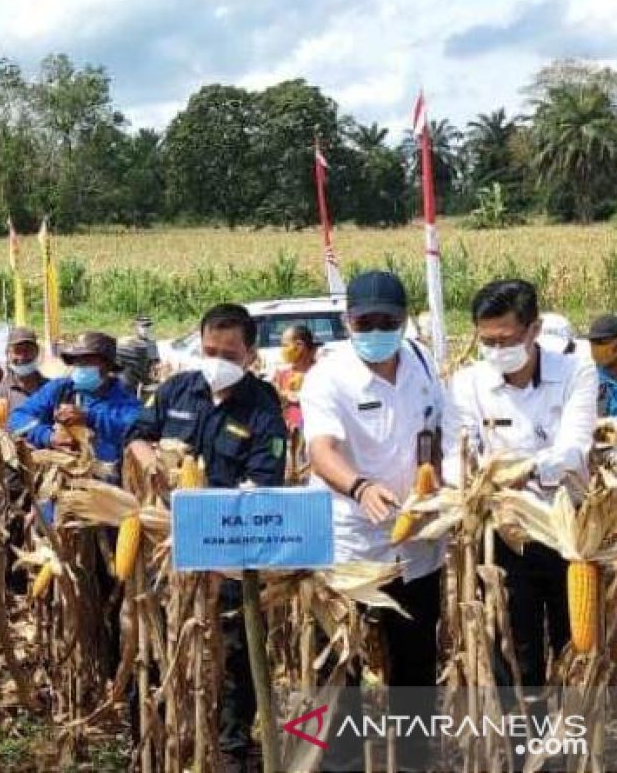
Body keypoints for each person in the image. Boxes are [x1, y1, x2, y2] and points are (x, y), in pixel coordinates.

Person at [126, 303, 287, 769]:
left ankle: (232, 746)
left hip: (227, 544)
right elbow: (139, 432)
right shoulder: (178, 388)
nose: (217, 359)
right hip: (165, 544)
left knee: (234, 650)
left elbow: (264, 479)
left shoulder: (261, 405)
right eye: (210, 349)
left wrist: (210, 523)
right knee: (157, 637)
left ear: (251, 355)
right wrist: (148, 457)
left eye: (229, 353)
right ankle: (152, 738)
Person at [300, 271, 446, 772]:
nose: (376, 329)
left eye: (387, 320)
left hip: (418, 548)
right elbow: (321, 449)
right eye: (366, 321)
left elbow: (437, 431)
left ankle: (411, 760)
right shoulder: (328, 376)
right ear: (348, 321)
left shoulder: (423, 363)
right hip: (351, 548)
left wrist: (442, 486)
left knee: (415, 667)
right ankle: (337, 763)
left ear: (405, 320)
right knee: (341, 667)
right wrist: (360, 486)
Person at [443, 280, 597, 696]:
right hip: (503, 536)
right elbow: (453, 456)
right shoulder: (468, 384)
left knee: (575, 646)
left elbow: (575, 447)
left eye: (505, 339)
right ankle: (522, 750)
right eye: (486, 340)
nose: (495, 350)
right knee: (515, 652)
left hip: (569, 531)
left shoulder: (575, 371)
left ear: (534, 329)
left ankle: (574, 744)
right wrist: (472, 485)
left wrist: (525, 470)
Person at [8, 331, 141, 478]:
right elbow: (18, 416)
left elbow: (136, 428)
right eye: (77, 360)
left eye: (88, 360)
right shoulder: (60, 389)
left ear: (107, 365)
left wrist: (89, 418)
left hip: (105, 485)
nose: (80, 366)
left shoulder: (124, 400)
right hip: (61, 480)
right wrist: (48, 436)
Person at [0, 327, 49, 413]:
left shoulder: (51, 388)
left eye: (28, 350)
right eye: (17, 351)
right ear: (7, 354)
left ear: (37, 352)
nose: (22, 357)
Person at [272, 324, 318, 435]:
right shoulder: (281, 375)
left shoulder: (321, 374)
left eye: (285, 345)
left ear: (299, 345)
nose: (282, 350)